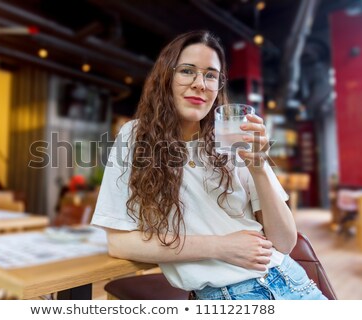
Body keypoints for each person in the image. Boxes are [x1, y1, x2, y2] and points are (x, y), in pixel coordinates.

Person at [91, 30, 327, 300]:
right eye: (187, 71)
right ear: (166, 77)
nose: (200, 84)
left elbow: (285, 242)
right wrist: (220, 247)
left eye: (211, 75)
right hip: (229, 296)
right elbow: (119, 243)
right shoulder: (136, 136)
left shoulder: (234, 136)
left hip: (294, 282)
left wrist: (259, 167)